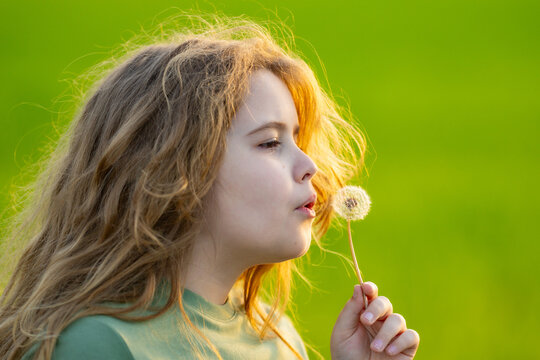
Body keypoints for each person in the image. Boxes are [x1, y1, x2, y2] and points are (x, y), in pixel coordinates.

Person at [0, 13, 419, 360]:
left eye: (298, 139)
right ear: (176, 173)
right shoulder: (100, 345)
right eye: (271, 142)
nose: (311, 166)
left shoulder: (279, 342)